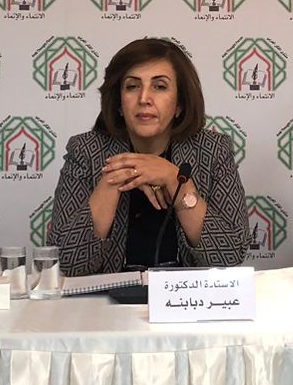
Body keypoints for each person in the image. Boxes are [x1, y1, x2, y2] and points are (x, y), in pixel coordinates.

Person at [51, 37, 249, 275]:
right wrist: (114, 179)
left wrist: (174, 180)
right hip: (110, 296)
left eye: (160, 86)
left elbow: (230, 256)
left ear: (179, 104)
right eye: (132, 86)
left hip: (186, 294)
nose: (144, 98)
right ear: (118, 103)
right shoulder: (86, 151)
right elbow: (67, 263)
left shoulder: (212, 150)